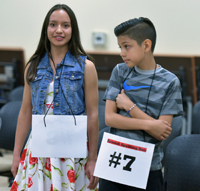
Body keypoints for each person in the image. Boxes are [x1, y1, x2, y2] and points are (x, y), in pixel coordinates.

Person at [11, 4, 99, 191]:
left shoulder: (86, 67)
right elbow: (25, 112)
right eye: (53, 24)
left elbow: (93, 115)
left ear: (72, 30)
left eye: (65, 25)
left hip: (73, 150)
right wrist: (16, 154)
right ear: (46, 29)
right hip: (39, 148)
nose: (59, 30)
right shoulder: (33, 66)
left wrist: (92, 159)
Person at [99, 17, 183, 191]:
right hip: (114, 162)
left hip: (148, 167)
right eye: (120, 47)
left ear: (146, 45)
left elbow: (162, 132)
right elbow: (110, 118)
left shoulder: (170, 81)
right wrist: (150, 124)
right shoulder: (120, 71)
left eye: (126, 46)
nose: (122, 52)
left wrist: (129, 106)